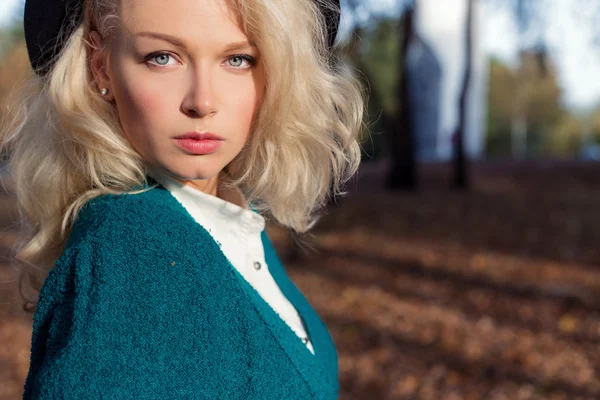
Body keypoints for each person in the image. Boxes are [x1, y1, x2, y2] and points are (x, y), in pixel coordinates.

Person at [0, 0, 366, 398]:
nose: (202, 101)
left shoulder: (228, 218)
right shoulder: (128, 253)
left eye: (238, 59)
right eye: (163, 57)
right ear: (100, 65)